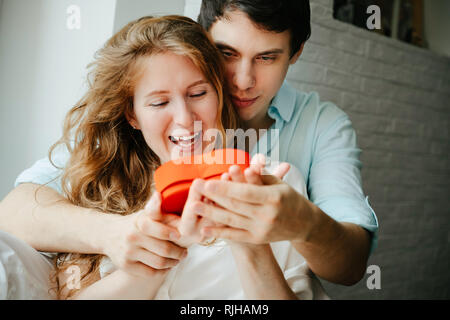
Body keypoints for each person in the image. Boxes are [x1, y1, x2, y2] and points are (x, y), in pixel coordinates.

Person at [0, 0, 378, 292]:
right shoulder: (132, 138)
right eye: (227, 54)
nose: (242, 81)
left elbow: (350, 265)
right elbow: (17, 208)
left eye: (266, 57)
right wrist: (115, 234)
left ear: (294, 54)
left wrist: (303, 223)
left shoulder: (316, 132)